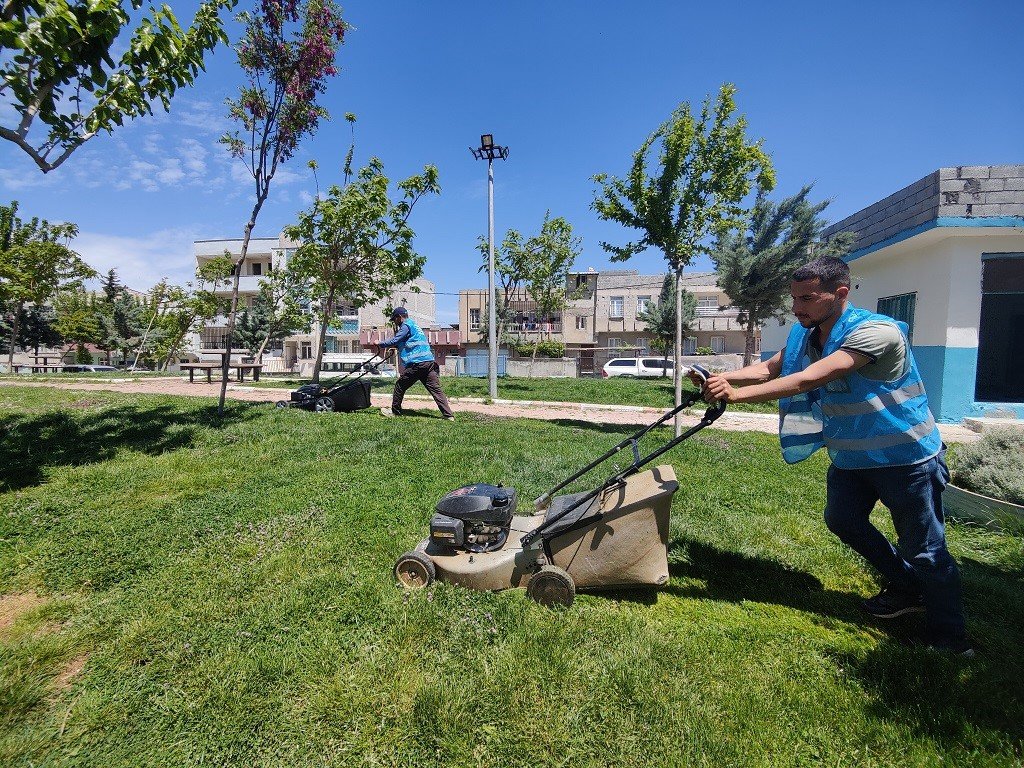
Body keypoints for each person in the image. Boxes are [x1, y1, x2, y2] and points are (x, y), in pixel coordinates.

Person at [693, 256, 971, 655]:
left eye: (806, 298)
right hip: (852, 459)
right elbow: (772, 368)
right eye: (794, 298)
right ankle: (906, 586)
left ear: (840, 293)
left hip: (905, 459)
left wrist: (735, 396)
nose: (796, 307)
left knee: (925, 549)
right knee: (843, 521)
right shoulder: (807, 335)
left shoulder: (878, 332)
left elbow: (815, 376)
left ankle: (952, 639)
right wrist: (718, 377)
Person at [375, 306, 455, 422]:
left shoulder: (405, 326)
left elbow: (395, 340)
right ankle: (448, 415)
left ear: (400, 317)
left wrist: (380, 343)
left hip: (417, 364)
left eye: (395, 319)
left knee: (399, 386)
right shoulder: (414, 326)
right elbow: (407, 342)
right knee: (436, 390)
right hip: (428, 362)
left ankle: (394, 412)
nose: (395, 322)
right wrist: (395, 347)